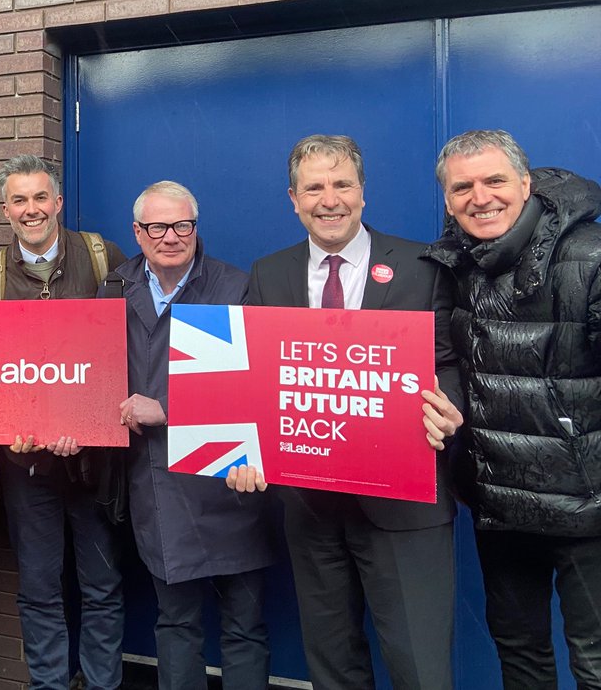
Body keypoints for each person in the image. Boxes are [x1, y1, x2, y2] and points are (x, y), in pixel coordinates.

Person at [228, 135, 463, 690]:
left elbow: (449, 362)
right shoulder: (269, 273)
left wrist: (451, 410)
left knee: (421, 669)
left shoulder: (422, 266)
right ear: (293, 198)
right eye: (314, 187)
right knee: (331, 667)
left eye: (342, 185)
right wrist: (244, 451)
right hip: (311, 509)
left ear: (363, 193)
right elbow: (252, 381)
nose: (328, 199)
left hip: (406, 508)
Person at [423, 129, 601, 689]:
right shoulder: (453, 264)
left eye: (494, 181)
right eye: (462, 187)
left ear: (526, 184)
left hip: (587, 505)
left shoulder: (590, 256)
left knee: (596, 660)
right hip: (499, 502)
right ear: (448, 201)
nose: (481, 197)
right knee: (520, 654)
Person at [0, 154, 127, 690]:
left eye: (41, 198)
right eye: (19, 200)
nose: (31, 209)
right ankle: (49, 684)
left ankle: (104, 683)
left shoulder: (104, 257)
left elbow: (129, 347)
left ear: (58, 202)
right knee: (39, 587)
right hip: (25, 461)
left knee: (102, 584)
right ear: (5, 209)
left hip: (96, 459)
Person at [108, 181, 273, 690]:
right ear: (138, 233)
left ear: (196, 229)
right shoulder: (112, 289)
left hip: (230, 481)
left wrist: (168, 409)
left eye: (183, 225)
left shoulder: (236, 286)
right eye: (158, 227)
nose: (172, 237)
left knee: (245, 628)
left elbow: (257, 386)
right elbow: (94, 374)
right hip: (157, 485)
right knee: (176, 623)